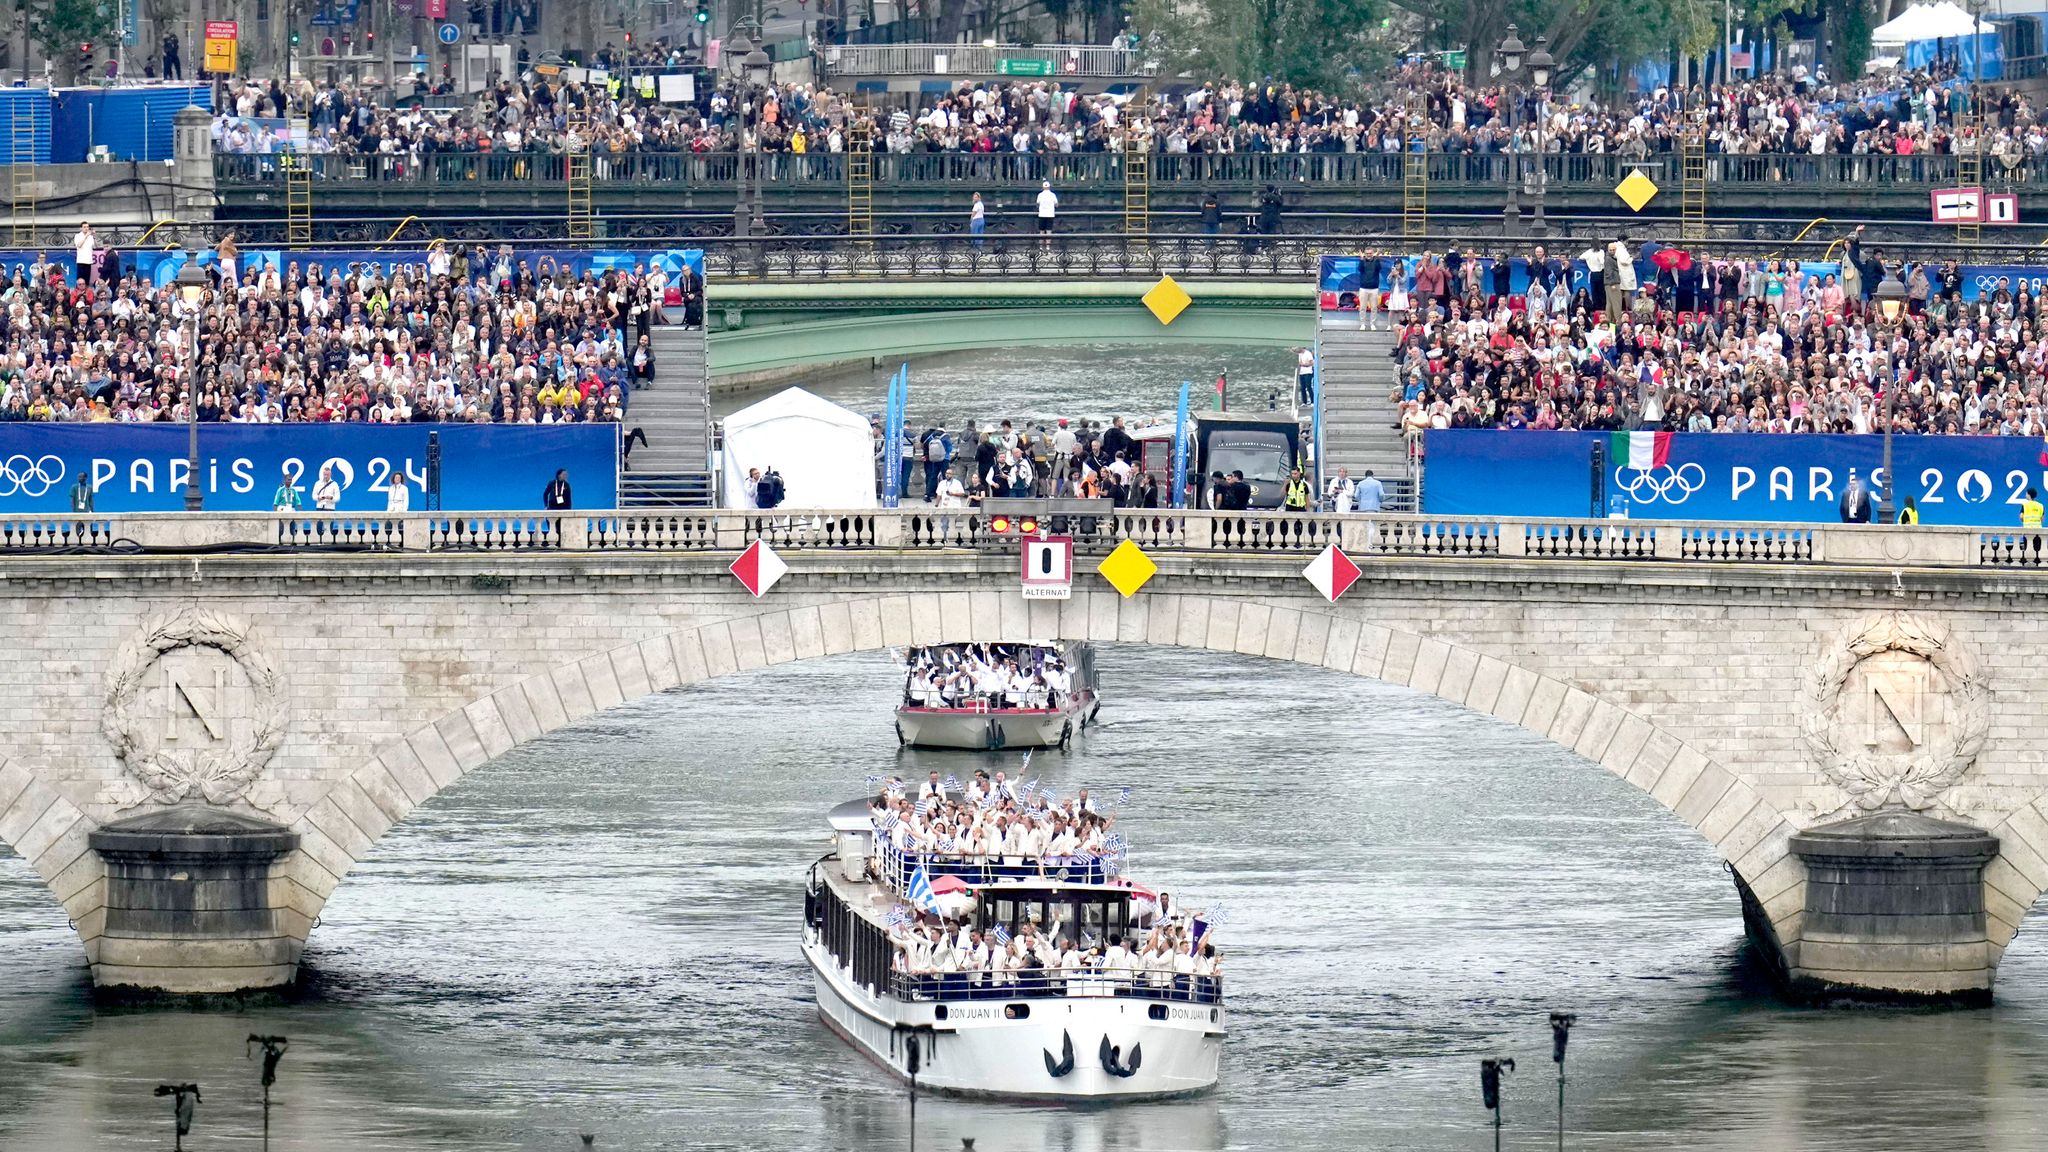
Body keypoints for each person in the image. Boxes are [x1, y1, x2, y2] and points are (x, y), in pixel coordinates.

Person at [1035, 179, 1058, 247]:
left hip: (1042, 214)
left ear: (1043, 187)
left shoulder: (1040, 195)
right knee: (1049, 232)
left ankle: (1041, 247)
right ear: (1049, 187)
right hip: (1050, 214)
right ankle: (1048, 247)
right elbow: (1056, 204)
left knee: (1041, 231)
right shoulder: (1053, 195)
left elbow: (1037, 204)